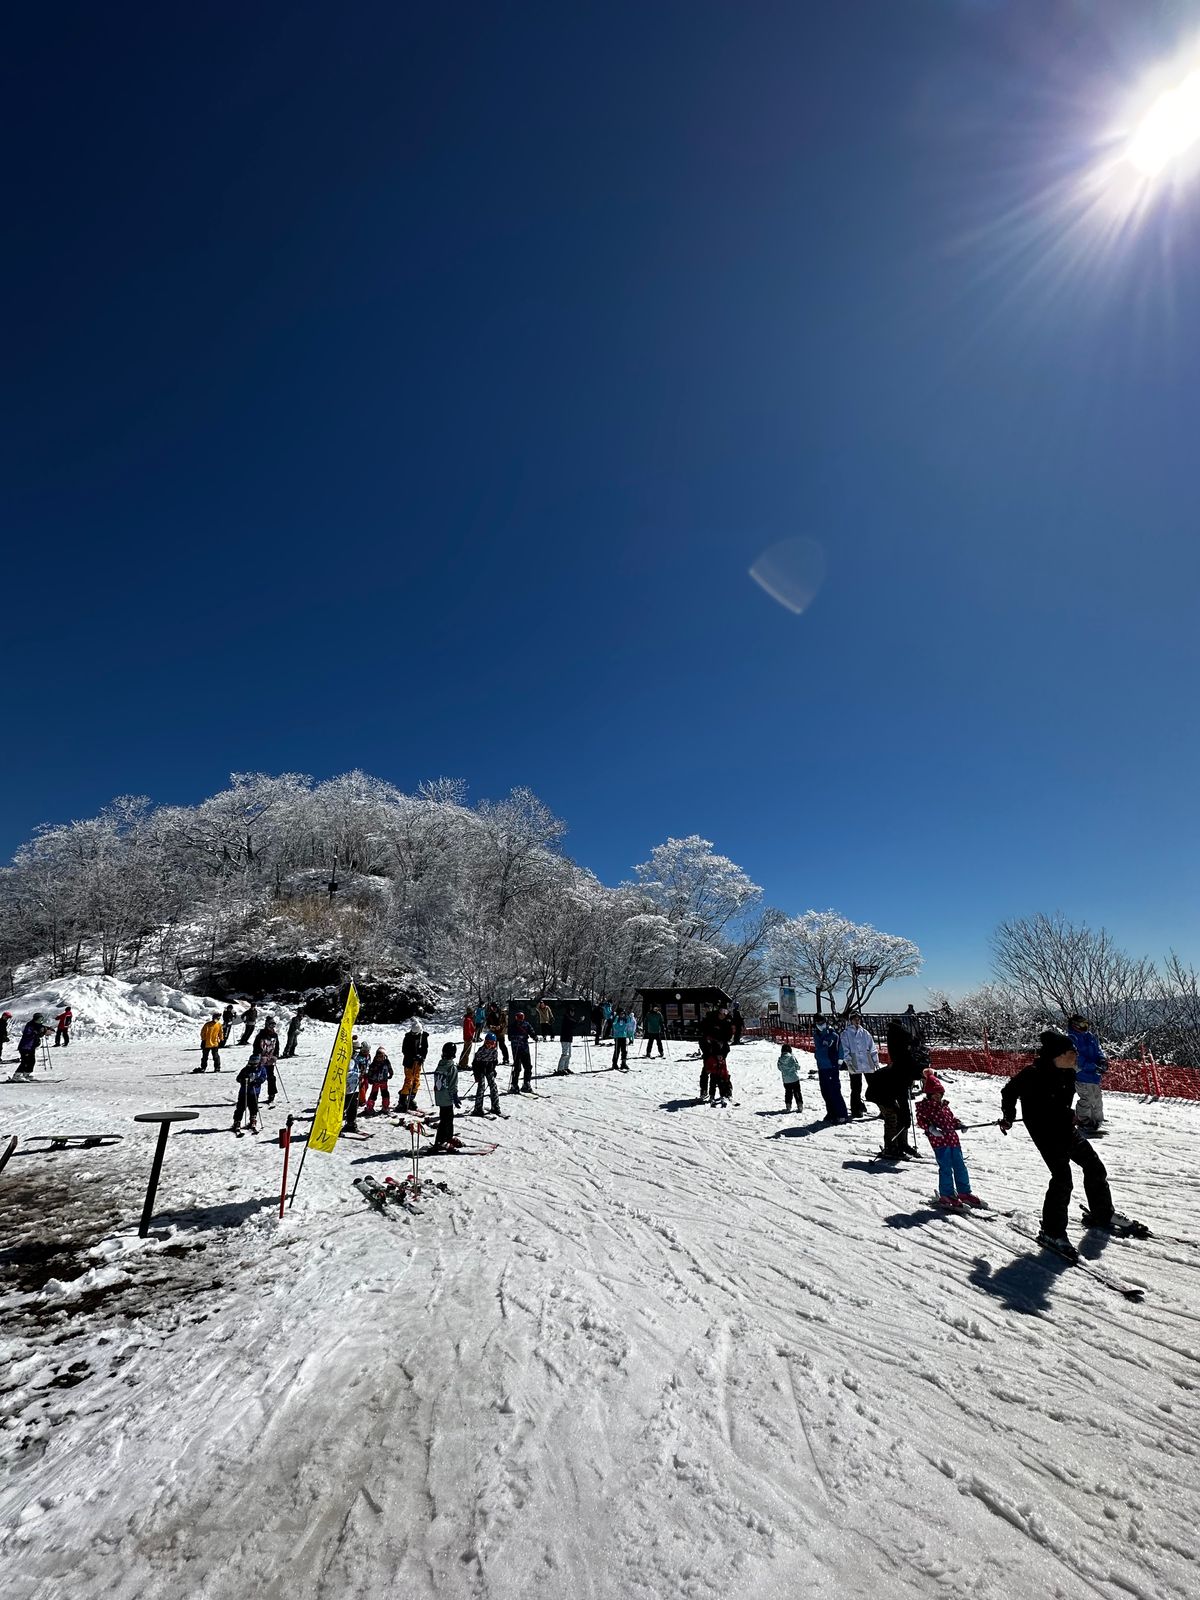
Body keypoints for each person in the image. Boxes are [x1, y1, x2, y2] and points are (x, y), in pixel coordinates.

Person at [1000, 1030, 1135, 1255]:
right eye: (1072, 1051)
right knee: (1062, 1178)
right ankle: (1052, 1231)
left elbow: (1058, 1105)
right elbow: (1009, 1091)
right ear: (1058, 1054)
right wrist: (1008, 1115)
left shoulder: (1068, 1073)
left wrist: (1069, 1114)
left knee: (1094, 1165)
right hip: (1044, 1131)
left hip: (1063, 1127)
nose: (1076, 1054)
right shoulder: (1032, 1074)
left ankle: (1102, 1213)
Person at [916, 1070, 984, 1208]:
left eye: (939, 1094)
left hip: (953, 1141)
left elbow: (952, 1120)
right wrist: (931, 1129)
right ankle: (946, 1195)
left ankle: (964, 1192)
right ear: (928, 1095)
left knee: (960, 1167)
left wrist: (959, 1124)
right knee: (946, 1168)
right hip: (940, 1143)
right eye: (934, 1094)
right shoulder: (925, 1108)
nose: (937, 1096)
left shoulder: (945, 1107)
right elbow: (921, 1121)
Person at [1067, 1014, 1108, 1132]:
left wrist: (1102, 1060)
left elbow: (1098, 1050)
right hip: (1082, 1075)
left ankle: (1097, 1120)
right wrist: (1093, 1067)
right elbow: (1077, 1058)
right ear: (1075, 1025)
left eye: (1086, 1024)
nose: (1085, 1027)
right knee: (1087, 1099)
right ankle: (1083, 1121)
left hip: (1094, 1076)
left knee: (1097, 1098)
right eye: (1082, 1024)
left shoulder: (1089, 1036)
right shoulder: (1072, 1039)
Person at [838, 1014, 878, 1117]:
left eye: (858, 1019)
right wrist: (848, 1061)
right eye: (855, 1019)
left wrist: (875, 1061)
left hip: (867, 1060)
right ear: (850, 1020)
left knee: (874, 1085)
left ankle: (883, 1108)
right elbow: (845, 1049)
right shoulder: (846, 1033)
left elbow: (872, 1047)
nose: (857, 1020)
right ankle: (856, 1109)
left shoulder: (865, 1032)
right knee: (856, 1087)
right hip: (854, 1060)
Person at [812, 1018, 848, 1122]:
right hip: (821, 1066)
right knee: (825, 1091)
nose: (819, 1024)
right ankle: (831, 1112)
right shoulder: (816, 1035)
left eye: (821, 1022)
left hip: (831, 1066)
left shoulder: (833, 1035)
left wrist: (840, 1061)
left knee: (834, 1091)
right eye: (817, 1022)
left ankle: (842, 1114)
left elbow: (840, 1049)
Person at [432, 1042, 459, 1150]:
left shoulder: (441, 1064)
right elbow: (452, 1084)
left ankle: (448, 1137)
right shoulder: (451, 1067)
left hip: (439, 1095)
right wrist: (455, 1096)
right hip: (447, 1096)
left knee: (447, 1117)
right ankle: (440, 1140)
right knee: (446, 1119)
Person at [232, 1053, 268, 1136]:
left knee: (254, 1107)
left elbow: (263, 1077)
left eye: (255, 1064)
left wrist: (257, 1081)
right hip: (244, 1092)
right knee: (240, 1107)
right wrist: (243, 1080)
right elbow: (238, 1078)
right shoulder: (245, 1069)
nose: (253, 1065)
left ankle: (253, 1120)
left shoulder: (261, 1069)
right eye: (251, 1063)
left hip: (254, 1092)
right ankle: (237, 1122)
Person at [471, 1032, 503, 1116]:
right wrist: (476, 1074)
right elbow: (474, 1063)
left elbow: (494, 1062)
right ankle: (478, 1108)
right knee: (481, 1086)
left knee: (493, 1086)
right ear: (485, 1042)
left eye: (492, 1043)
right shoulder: (481, 1051)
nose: (489, 1045)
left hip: (489, 1070)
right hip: (480, 1070)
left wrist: (493, 1070)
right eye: (488, 1043)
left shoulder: (494, 1051)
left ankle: (495, 1106)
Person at [252, 1017, 282, 1106]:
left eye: (274, 1025)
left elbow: (277, 1047)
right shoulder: (261, 1035)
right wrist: (258, 1057)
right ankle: (254, 1096)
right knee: (258, 1078)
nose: (272, 1027)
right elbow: (256, 1046)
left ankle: (271, 1094)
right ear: (267, 1025)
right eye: (271, 1024)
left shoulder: (274, 1035)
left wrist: (275, 1056)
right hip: (261, 1060)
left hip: (270, 1060)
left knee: (271, 1077)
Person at [401, 1021, 430, 1110]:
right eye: (413, 1033)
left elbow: (425, 1048)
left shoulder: (423, 1036)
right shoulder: (408, 1037)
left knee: (416, 1082)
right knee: (408, 1081)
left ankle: (411, 1099)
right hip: (409, 1062)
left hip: (418, 1063)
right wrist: (413, 1056)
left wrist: (422, 1057)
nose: (414, 1035)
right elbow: (404, 1050)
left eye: (416, 1033)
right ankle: (402, 1100)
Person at [509, 1010, 535, 1093]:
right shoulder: (513, 1026)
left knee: (528, 1066)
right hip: (516, 1048)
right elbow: (510, 1036)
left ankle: (526, 1083)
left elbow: (531, 1031)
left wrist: (535, 1036)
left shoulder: (526, 1024)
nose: (520, 1020)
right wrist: (516, 1037)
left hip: (524, 1048)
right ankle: (514, 1084)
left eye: (521, 1018)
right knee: (517, 1067)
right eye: (519, 1018)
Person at [364, 1047, 394, 1115]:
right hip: (376, 1082)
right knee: (373, 1095)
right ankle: (370, 1107)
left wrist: (391, 1073)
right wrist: (370, 1078)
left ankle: (385, 1107)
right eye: (378, 1056)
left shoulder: (386, 1062)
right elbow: (370, 1072)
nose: (380, 1058)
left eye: (381, 1056)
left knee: (385, 1094)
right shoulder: (374, 1064)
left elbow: (389, 1068)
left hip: (384, 1081)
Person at [778, 1044, 803, 1111]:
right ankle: (799, 1105)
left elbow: (779, 1068)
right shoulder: (792, 1057)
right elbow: (797, 1067)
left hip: (786, 1080)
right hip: (794, 1078)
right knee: (797, 1092)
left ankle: (788, 1105)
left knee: (788, 1092)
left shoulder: (780, 1059)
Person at [343, 1050, 361, 1133]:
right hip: (345, 1089)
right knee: (344, 1107)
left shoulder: (355, 1060)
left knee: (353, 1107)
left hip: (354, 1089)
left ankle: (351, 1124)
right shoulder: (346, 1061)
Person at [556, 1010, 576, 1074]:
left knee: (569, 1055)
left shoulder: (569, 1018)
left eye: (573, 1011)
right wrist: (580, 1021)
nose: (573, 1012)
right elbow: (573, 1024)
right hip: (565, 1039)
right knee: (565, 1054)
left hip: (569, 1038)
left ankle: (565, 1068)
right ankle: (560, 1069)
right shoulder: (567, 1019)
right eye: (571, 1011)